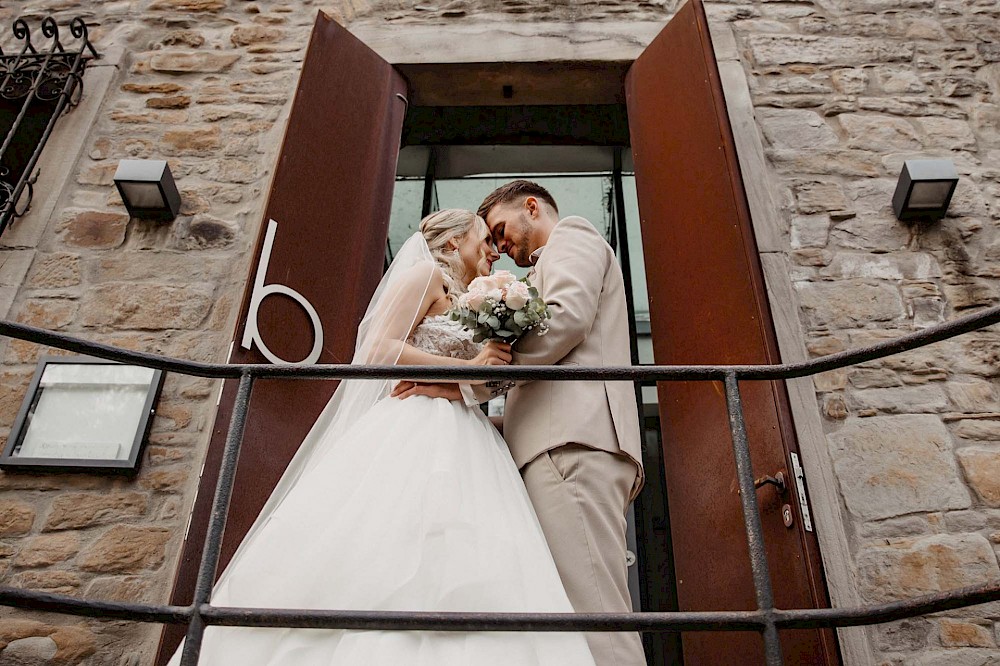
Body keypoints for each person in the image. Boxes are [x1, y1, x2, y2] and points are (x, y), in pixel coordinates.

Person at [167, 209, 596, 666]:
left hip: (465, 434)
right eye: (481, 240)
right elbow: (380, 348)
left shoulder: (468, 302)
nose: (491, 249)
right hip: (413, 425)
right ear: (453, 245)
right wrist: (469, 369)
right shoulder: (425, 274)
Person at [394, 182, 646, 666]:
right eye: (490, 238)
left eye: (502, 231)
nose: (500, 248)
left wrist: (473, 382)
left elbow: (565, 319)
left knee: (592, 610)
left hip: (568, 443)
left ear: (532, 207)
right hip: (552, 447)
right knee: (568, 609)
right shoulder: (539, 268)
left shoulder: (572, 236)